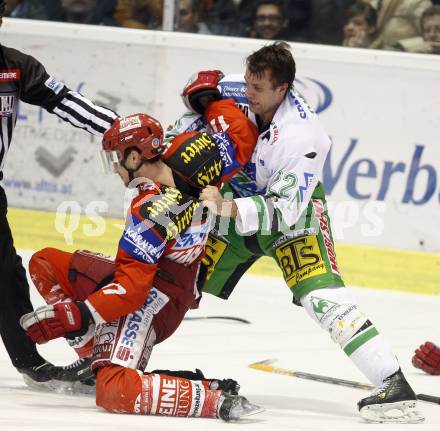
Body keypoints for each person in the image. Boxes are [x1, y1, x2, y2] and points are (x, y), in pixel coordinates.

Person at [175, 42, 424, 424]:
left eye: (258, 89)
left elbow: (284, 209)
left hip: (292, 220)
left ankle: (392, 384)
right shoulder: (236, 89)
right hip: (235, 201)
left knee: (321, 297)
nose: (248, 94)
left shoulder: (305, 137)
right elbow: (195, 94)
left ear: (283, 89)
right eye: (247, 83)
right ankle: (108, 359)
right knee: (177, 275)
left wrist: (225, 207)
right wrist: (197, 104)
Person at [20, 102, 262, 420]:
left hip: (155, 302)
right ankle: (98, 357)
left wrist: (81, 314)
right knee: (45, 263)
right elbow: (240, 135)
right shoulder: (191, 154)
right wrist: (213, 99)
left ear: (134, 156)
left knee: (114, 391)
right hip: (164, 276)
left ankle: (214, 400)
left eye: (116, 159)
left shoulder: (152, 211)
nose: (116, 169)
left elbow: (132, 290)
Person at [0, 0, 118, 386]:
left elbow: (65, 101)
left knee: (6, 275)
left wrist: (121, 128)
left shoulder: (15, 66)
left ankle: (28, 361)